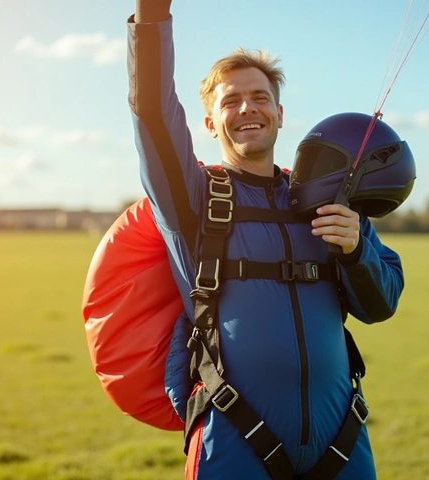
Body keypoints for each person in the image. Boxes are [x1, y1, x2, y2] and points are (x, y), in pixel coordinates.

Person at [126, 1, 406, 478]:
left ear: (279, 113)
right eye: (230, 101)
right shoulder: (189, 199)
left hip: (342, 443)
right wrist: (152, 16)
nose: (246, 108)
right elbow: (152, 110)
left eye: (258, 97)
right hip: (232, 442)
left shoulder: (329, 194)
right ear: (211, 124)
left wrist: (357, 251)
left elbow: (381, 304)